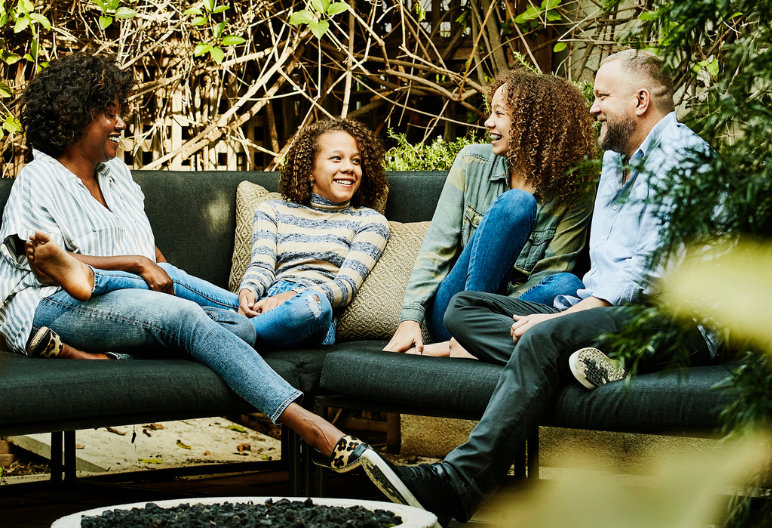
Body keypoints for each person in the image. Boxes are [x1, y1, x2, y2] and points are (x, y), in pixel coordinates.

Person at [0, 54, 414, 497]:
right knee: (184, 319)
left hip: (111, 300)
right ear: (74, 117)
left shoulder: (116, 175)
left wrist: (170, 280)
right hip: (50, 302)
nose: (121, 122)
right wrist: (140, 269)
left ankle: (97, 341)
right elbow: (40, 262)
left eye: (121, 111)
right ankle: (309, 426)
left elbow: (152, 256)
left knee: (223, 312)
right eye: (110, 112)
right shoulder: (38, 177)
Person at [370, 50, 720, 525]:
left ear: (640, 101)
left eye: (601, 97)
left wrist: (562, 318)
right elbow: (607, 269)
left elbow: (648, 273)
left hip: (678, 319)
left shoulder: (682, 156)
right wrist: (571, 310)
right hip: (616, 312)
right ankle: (589, 364)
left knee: (545, 339)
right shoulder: (618, 160)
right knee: (465, 309)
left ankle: (458, 484)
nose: (592, 107)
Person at [382, 70, 597, 358]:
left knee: (567, 284)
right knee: (515, 204)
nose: (488, 122)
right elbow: (436, 248)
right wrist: (410, 317)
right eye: (490, 112)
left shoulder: (574, 187)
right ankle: (464, 337)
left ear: (533, 124)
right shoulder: (471, 161)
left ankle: (465, 346)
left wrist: (498, 313)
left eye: (500, 113)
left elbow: (551, 273)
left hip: (512, 312)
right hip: (454, 310)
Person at [236, 119, 390, 349]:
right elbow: (261, 267)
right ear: (310, 169)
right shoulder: (272, 211)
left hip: (310, 313)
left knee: (312, 306)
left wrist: (290, 297)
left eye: (356, 160)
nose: (349, 167)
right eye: (337, 158)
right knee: (173, 277)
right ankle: (232, 328)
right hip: (264, 303)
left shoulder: (369, 221)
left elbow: (345, 287)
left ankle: (216, 330)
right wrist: (248, 292)